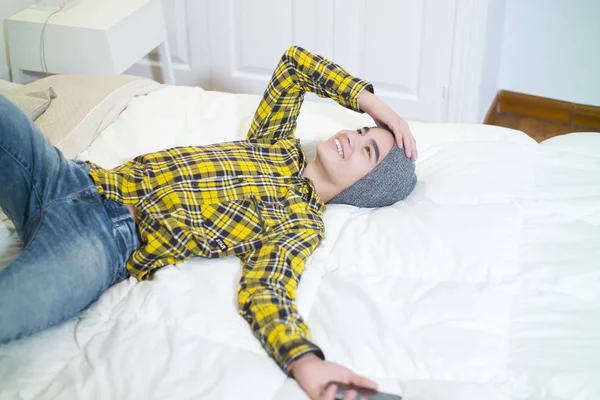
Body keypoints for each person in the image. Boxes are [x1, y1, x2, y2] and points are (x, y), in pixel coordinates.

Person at [0, 46, 417, 399]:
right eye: (362, 130)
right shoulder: (275, 145)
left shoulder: (300, 225)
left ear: (365, 188)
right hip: (74, 178)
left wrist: (306, 362)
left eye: (367, 152)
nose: (353, 137)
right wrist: (372, 103)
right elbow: (294, 65)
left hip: (102, 239)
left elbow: (268, 288)